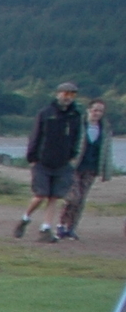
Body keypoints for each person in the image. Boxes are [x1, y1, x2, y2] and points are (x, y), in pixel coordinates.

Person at [20, 82, 83, 241]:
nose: (68, 98)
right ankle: (25, 218)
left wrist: (72, 155)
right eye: (65, 94)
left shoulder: (75, 115)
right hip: (42, 161)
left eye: (72, 95)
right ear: (58, 94)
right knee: (40, 195)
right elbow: (35, 136)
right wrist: (32, 158)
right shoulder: (45, 113)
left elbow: (77, 138)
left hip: (62, 163)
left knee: (54, 196)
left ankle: (46, 229)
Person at [59, 98, 108, 240]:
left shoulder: (104, 129)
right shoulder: (79, 125)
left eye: (100, 111)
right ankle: (61, 225)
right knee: (73, 198)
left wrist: (105, 170)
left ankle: (71, 228)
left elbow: (106, 151)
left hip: (91, 168)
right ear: (88, 110)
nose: (97, 113)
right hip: (75, 166)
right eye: (95, 110)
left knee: (81, 200)